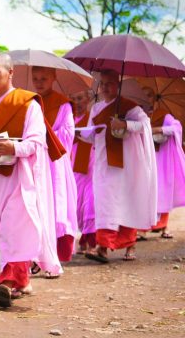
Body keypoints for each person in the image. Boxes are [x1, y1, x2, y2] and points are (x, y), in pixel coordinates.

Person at [0, 53, 61, 308]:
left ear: (11, 73)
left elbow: (36, 142)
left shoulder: (27, 104)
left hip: (21, 175)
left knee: (15, 225)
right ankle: (22, 280)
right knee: (4, 227)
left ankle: (9, 280)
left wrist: (11, 147)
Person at [79, 70, 157, 263]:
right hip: (103, 162)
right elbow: (91, 135)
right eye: (102, 83)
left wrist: (125, 124)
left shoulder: (130, 107)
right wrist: (80, 133)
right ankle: (103, 248)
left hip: (126, 164)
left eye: (110, 83)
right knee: (105, 203)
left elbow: (145, 125)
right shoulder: (96, 108)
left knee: (125, 201)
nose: (105, 87)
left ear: (118, 85)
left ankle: (129, 244)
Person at [31, 67, 78, 267]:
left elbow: (68, 134)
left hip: (55, 161)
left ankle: (56, 254)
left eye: (44, 78)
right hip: (34, 160)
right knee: (36, 205)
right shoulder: (30, 101)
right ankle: (36, 254)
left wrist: (44, 134)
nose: (39, 82)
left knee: (57, 205)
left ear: (53, 78)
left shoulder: (63, 103)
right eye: (35, 79)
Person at [137, 86, 185, 240]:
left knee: (163, 191)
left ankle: (164, 226)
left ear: (156, 98)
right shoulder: (139, 115)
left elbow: (176, 128)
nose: (147, 99)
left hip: (162, 159)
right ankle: (142, 228)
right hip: (145, 158)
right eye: (144, 96)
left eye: (150, 96)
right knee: (147, 192)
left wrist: (158, 129)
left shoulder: (164, 115)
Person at [69, 89, 96, 254]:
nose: (77, 102)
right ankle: (83, 236)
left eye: (80, 98)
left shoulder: (92, 117)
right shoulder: (68, 118)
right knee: (77, 204)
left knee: (90, 204)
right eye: (73, 99)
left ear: (87, 99)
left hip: (91, 164)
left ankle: (90, 240)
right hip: (72, 165)